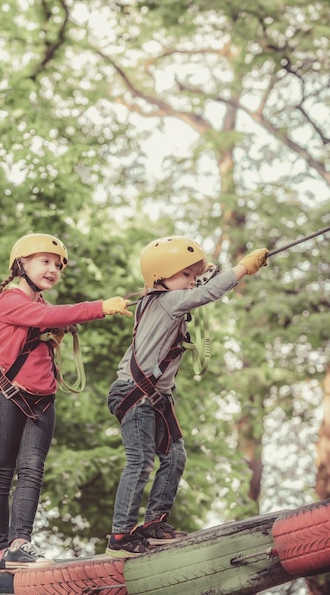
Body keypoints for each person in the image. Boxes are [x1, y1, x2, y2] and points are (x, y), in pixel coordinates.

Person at [105, 235, 268, 557]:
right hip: (135, 394)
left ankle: (153, 525)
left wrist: (209, 277)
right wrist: (242, 270)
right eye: (185, 275)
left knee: (175, 455)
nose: (191, 282)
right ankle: (120, 536)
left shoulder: (169, 300)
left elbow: (202, 288)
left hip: (156, 396)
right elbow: (207, 294)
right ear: (160, 277)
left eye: (194, 276)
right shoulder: (165, 301)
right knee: (140, 462)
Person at [0, 233, 132, 570]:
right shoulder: (11, 300)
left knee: (32, 469)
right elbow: (52, 317)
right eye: (45, 261)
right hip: (8, 396)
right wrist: (101, 308)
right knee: (3, 471)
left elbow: (51, 319)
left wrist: (55, 333)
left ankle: (20, 543)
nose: (53, 269)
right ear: (21, 264)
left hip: (42, 400)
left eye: (57, 265)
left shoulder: (41, 306)